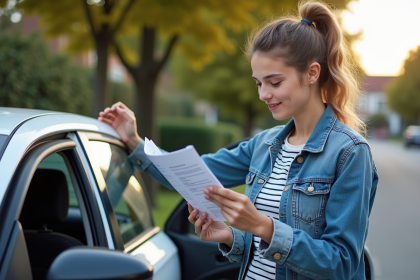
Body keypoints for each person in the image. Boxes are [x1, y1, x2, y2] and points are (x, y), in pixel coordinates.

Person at [98, 1, 378, 279]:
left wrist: (263, 226)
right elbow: (188, 173)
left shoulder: (350, 153)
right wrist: (232, 237)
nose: (263, 94)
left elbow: (342, 263)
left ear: (312, 73)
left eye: (275, 82)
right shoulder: (263, 145)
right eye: (259, 83)